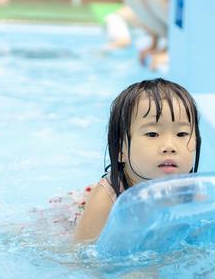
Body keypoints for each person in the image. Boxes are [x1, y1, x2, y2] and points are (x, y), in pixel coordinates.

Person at [74, 78, 202, 241]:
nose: (170, 146)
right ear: (121, 149)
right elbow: (82, 257)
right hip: (80, 211)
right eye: (152, 134)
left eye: (182, 134)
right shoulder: (107, 200)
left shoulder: (191, 193)